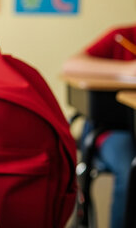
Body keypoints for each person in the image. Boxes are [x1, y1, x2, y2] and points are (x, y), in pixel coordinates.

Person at [63, 25, 136, 228]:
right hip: (115, 129)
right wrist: (128, 69)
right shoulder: (123, 37)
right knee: (130, 168)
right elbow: (71, 65)